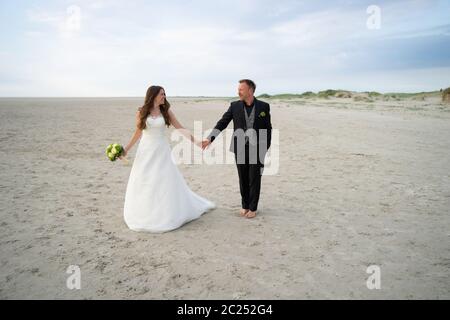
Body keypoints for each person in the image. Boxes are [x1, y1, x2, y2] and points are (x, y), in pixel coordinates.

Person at [121, 85, 215, 232]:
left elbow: (180, 128)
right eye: (161, 94)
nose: (164, 97)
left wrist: (197, 142)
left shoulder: (166, 112)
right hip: (145, 151)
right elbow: (138, 133)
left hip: (161, 151)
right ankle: (145, 212)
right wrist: (126, 149)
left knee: (163, 181)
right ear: (153, 96)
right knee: (145, 180)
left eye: (164, 94)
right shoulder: (141, 112)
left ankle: (165, 213)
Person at [202, 79, 272, 219]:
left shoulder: (264, 106)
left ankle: (253, 208)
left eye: (241, 89)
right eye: (238, 89)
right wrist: (210, 138)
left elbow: (268, 128)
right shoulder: (234, 106)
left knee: (254, 178)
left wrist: (265, 147)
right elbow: (223, 122)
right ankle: (245, 205)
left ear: (250, 91)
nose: (238, 91)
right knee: (243, 178)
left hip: (257, 148)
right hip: (240, 147)